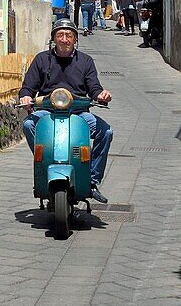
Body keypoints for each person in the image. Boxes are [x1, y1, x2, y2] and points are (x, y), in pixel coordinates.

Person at [20, 16, 114, 203]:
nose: (64, 39)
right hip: (48, 112)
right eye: (60, 35)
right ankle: (44, 162)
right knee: (29, 124)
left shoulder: (85, 61)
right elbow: (28, 86)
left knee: (106, 131)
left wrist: (101, 95)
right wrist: (26, 96)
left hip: (79, 113)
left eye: (69, 35)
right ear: (53, 38)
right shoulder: (42, 59)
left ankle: (92, 180)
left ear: (75, 39)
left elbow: (93, 87)